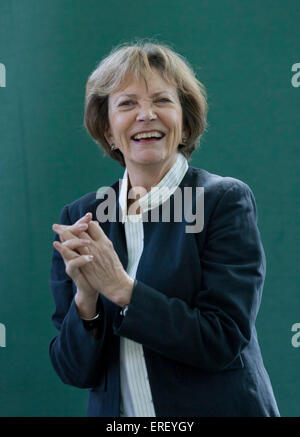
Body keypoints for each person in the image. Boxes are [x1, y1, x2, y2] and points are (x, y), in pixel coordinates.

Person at [49, 40, 280, 417]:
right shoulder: (82, 217)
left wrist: (122, 290)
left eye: (161, 100)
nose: (146, 115)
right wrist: (86, 301)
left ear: (185, 123)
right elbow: (74, 370)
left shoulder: (223, 201)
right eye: (127, 104)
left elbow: (221, 339)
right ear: (108, 132)